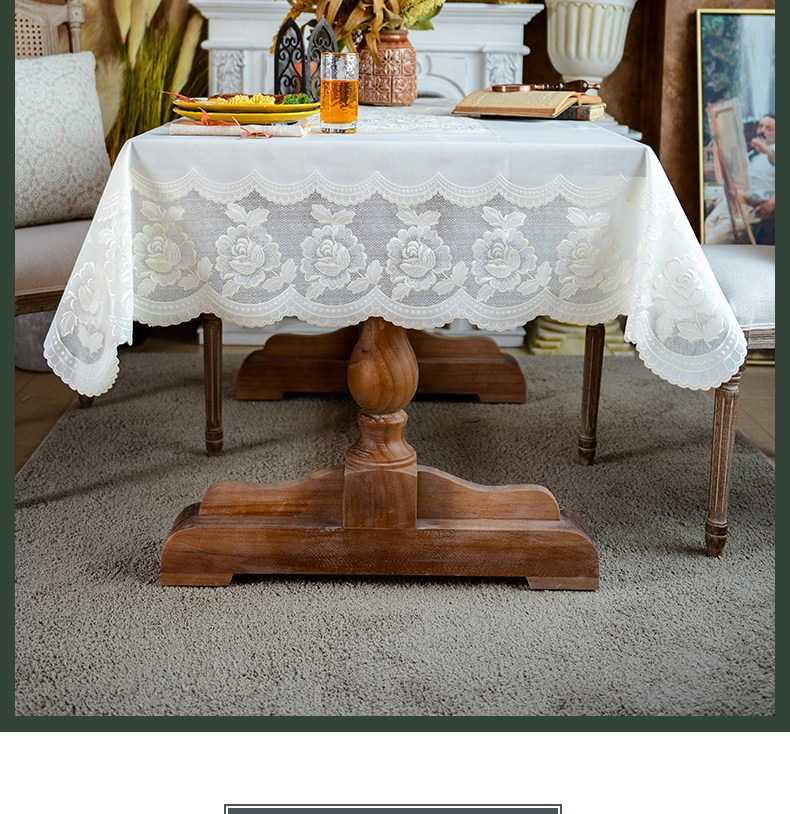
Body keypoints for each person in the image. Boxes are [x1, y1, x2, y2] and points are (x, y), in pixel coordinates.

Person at [704, 114, 775, 244]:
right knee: (704, 230)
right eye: (760, 126)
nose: (762, 131)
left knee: (711, 241)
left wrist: (767, 150)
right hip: (730, 201)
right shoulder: (752, 154)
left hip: (749, 209)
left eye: (768, 128)